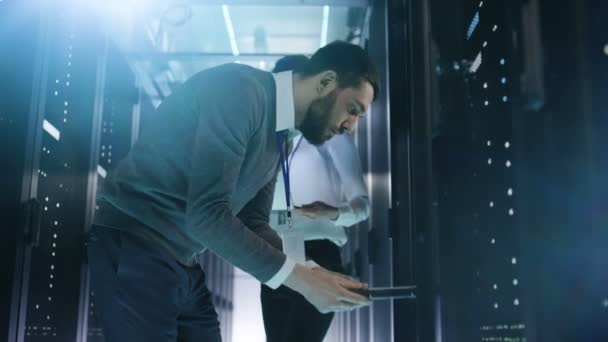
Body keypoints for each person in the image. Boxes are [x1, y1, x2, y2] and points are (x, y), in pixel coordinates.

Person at [86, 41, 379, 342]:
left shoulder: (283, 136)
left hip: (181, 260)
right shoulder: (241, 91)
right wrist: (303, 281)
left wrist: (315, 273)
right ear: (326, 82)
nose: (350, 126)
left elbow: (254, 223)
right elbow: (206, 215)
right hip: (137, 246)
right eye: (352, 109)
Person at [260, 55, 371, 342]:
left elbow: (363, 205)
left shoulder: (331, 133)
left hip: (320, 253)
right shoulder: (267, 138)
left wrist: (331, 213)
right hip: (277, 253)